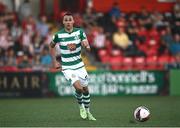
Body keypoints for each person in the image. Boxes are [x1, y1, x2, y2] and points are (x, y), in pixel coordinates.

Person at [50, 12, 96, 121]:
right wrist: (55, 61)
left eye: (70, 20)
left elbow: (86, 43)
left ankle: (88, 112)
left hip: (79, 65)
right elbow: (51, 46)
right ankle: (81, 107)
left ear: (73, 21)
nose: (68, 22)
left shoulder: (80, 32)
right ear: (63, 22)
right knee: (79, 88)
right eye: (66, 20)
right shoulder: (58, 35)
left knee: (85, 90)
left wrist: (87, 46)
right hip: (67, 67)